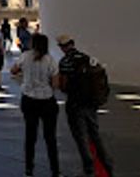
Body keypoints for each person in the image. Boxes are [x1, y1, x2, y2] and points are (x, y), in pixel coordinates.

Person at [57, 34, 113, 177]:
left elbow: (62, 86)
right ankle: (107, 164)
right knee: (95, 135)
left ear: (62, 47)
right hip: (91, 104)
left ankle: (89, 170)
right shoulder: (87, 58)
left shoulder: (65, 62)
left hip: (75, 105)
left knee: (81, 138)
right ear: (73, 43)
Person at [11, 33, 60, 177]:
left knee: (30, 136)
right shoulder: (51, 60)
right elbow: (56, 84)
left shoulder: (25, 56)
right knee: (50, 138)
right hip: (46, 100)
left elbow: (13, 70)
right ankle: (55, 170)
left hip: (29, 99)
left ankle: (29, 169)